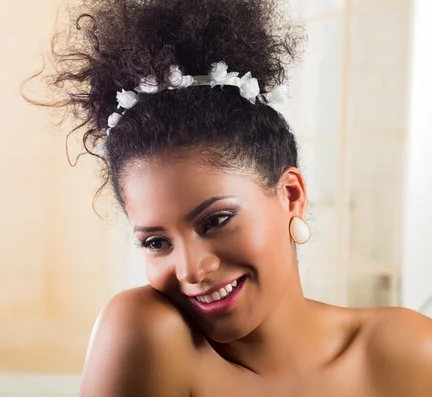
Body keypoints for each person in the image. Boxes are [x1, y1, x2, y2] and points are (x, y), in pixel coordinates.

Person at [29, 0, 432, 395]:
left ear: (291, 196)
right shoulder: (147, 334)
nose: (191, 270)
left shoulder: (407, 352)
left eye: (215, 220)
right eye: (156, 242)